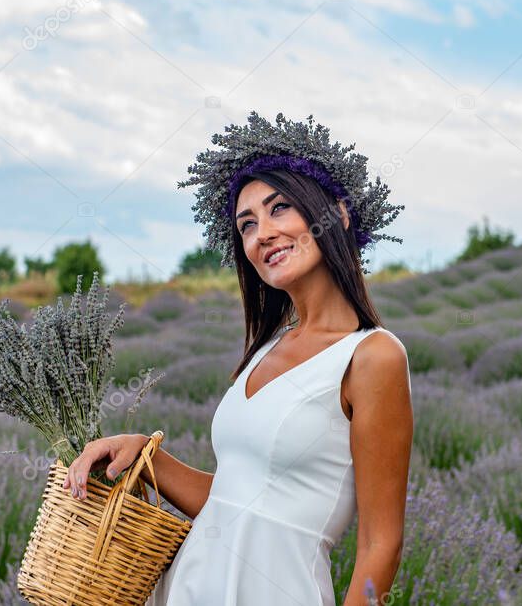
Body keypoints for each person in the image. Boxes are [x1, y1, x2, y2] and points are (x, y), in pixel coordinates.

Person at [63, 111, 413, 605]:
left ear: (337, 212)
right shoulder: (267, 349)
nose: (262, 233)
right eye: (246, 225)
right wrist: (145, 454)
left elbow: (382, 543)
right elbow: (234, 501)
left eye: (279, 209)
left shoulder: (373, 356)